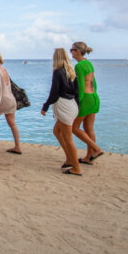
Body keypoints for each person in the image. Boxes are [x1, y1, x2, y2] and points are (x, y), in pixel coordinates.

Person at [41, 48, 82, 176]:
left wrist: (45, 106)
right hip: (72, 105)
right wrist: (78, 107)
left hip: (64, 105)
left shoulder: (58, 72)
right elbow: (77, 92)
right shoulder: (71, 71)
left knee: (68, 138)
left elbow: (54, 93)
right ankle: (69, 158)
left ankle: (76, 167)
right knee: (57, 131)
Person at [70, 41, 104, 164]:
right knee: (89, 128)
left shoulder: (79, 66)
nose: (71, 53)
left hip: (86, 99)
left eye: (72, 50)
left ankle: (97, 149)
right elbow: (93, 83)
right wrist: (94, 95)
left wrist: (78, 101)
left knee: (75, 128)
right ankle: (89, 157)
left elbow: (80, 86)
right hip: (94, 97)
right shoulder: (88, 63)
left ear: (77, 51)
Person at [0, 52, 21, 154]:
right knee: (12, 123)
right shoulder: (4, 69)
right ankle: (18, 146)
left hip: (2, 101)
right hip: (11, 99)